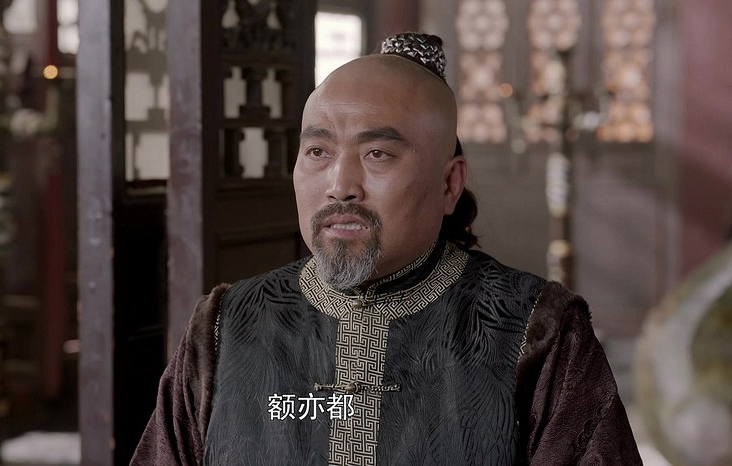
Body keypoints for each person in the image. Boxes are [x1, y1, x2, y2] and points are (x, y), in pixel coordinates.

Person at [131, 32, 642, 465]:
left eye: (377, 153)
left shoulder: (537, 331)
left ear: (449, 184)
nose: (340, 186)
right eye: (318, 151)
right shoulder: (224, 327)